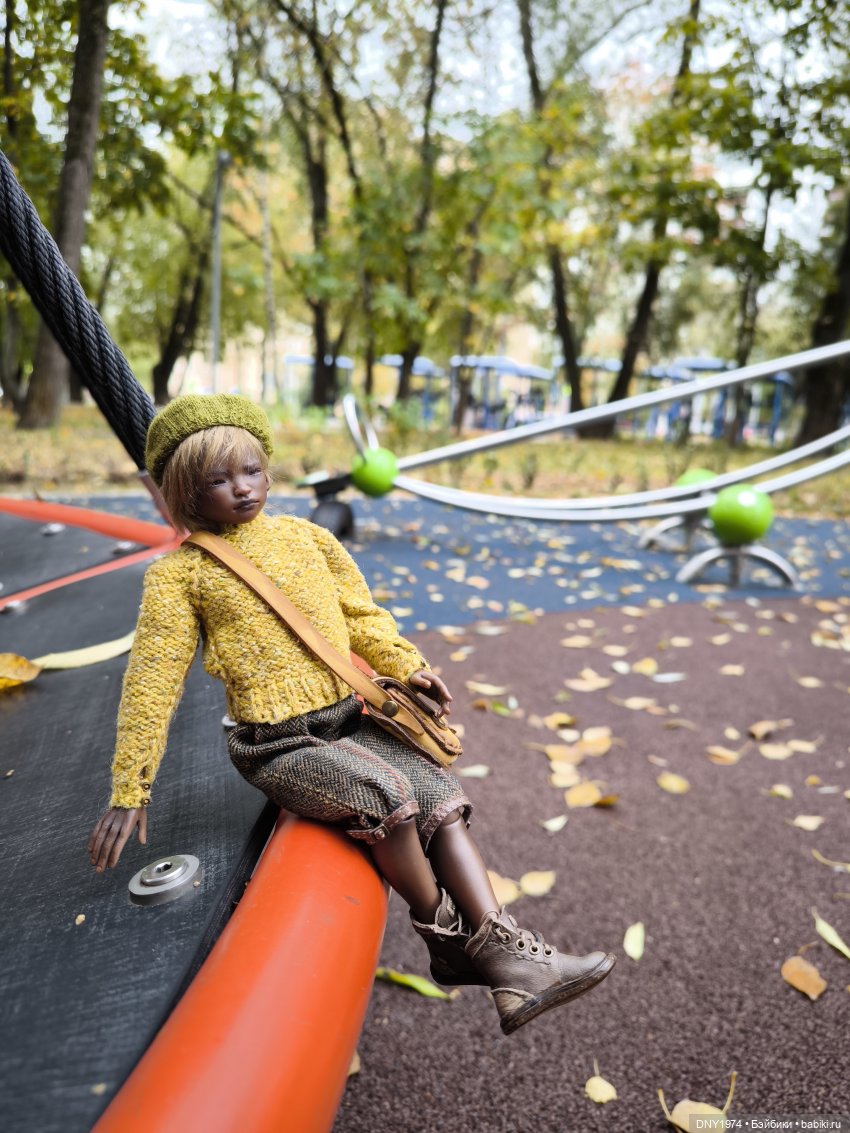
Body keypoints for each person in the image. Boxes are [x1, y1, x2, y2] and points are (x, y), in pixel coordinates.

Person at [88, 394, 614, 1035]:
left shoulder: (308, 538)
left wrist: (407, 664)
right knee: (389, 794)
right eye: (217, 481)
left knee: (441, 798)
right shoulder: (180, 576)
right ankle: (447, 941)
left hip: (350, 715)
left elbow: (363, 618)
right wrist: (129, 786)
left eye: (251, 470)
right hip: (277, 744)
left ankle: (508, 959)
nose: (242, 489)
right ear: (183, 490)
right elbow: (152, 681)